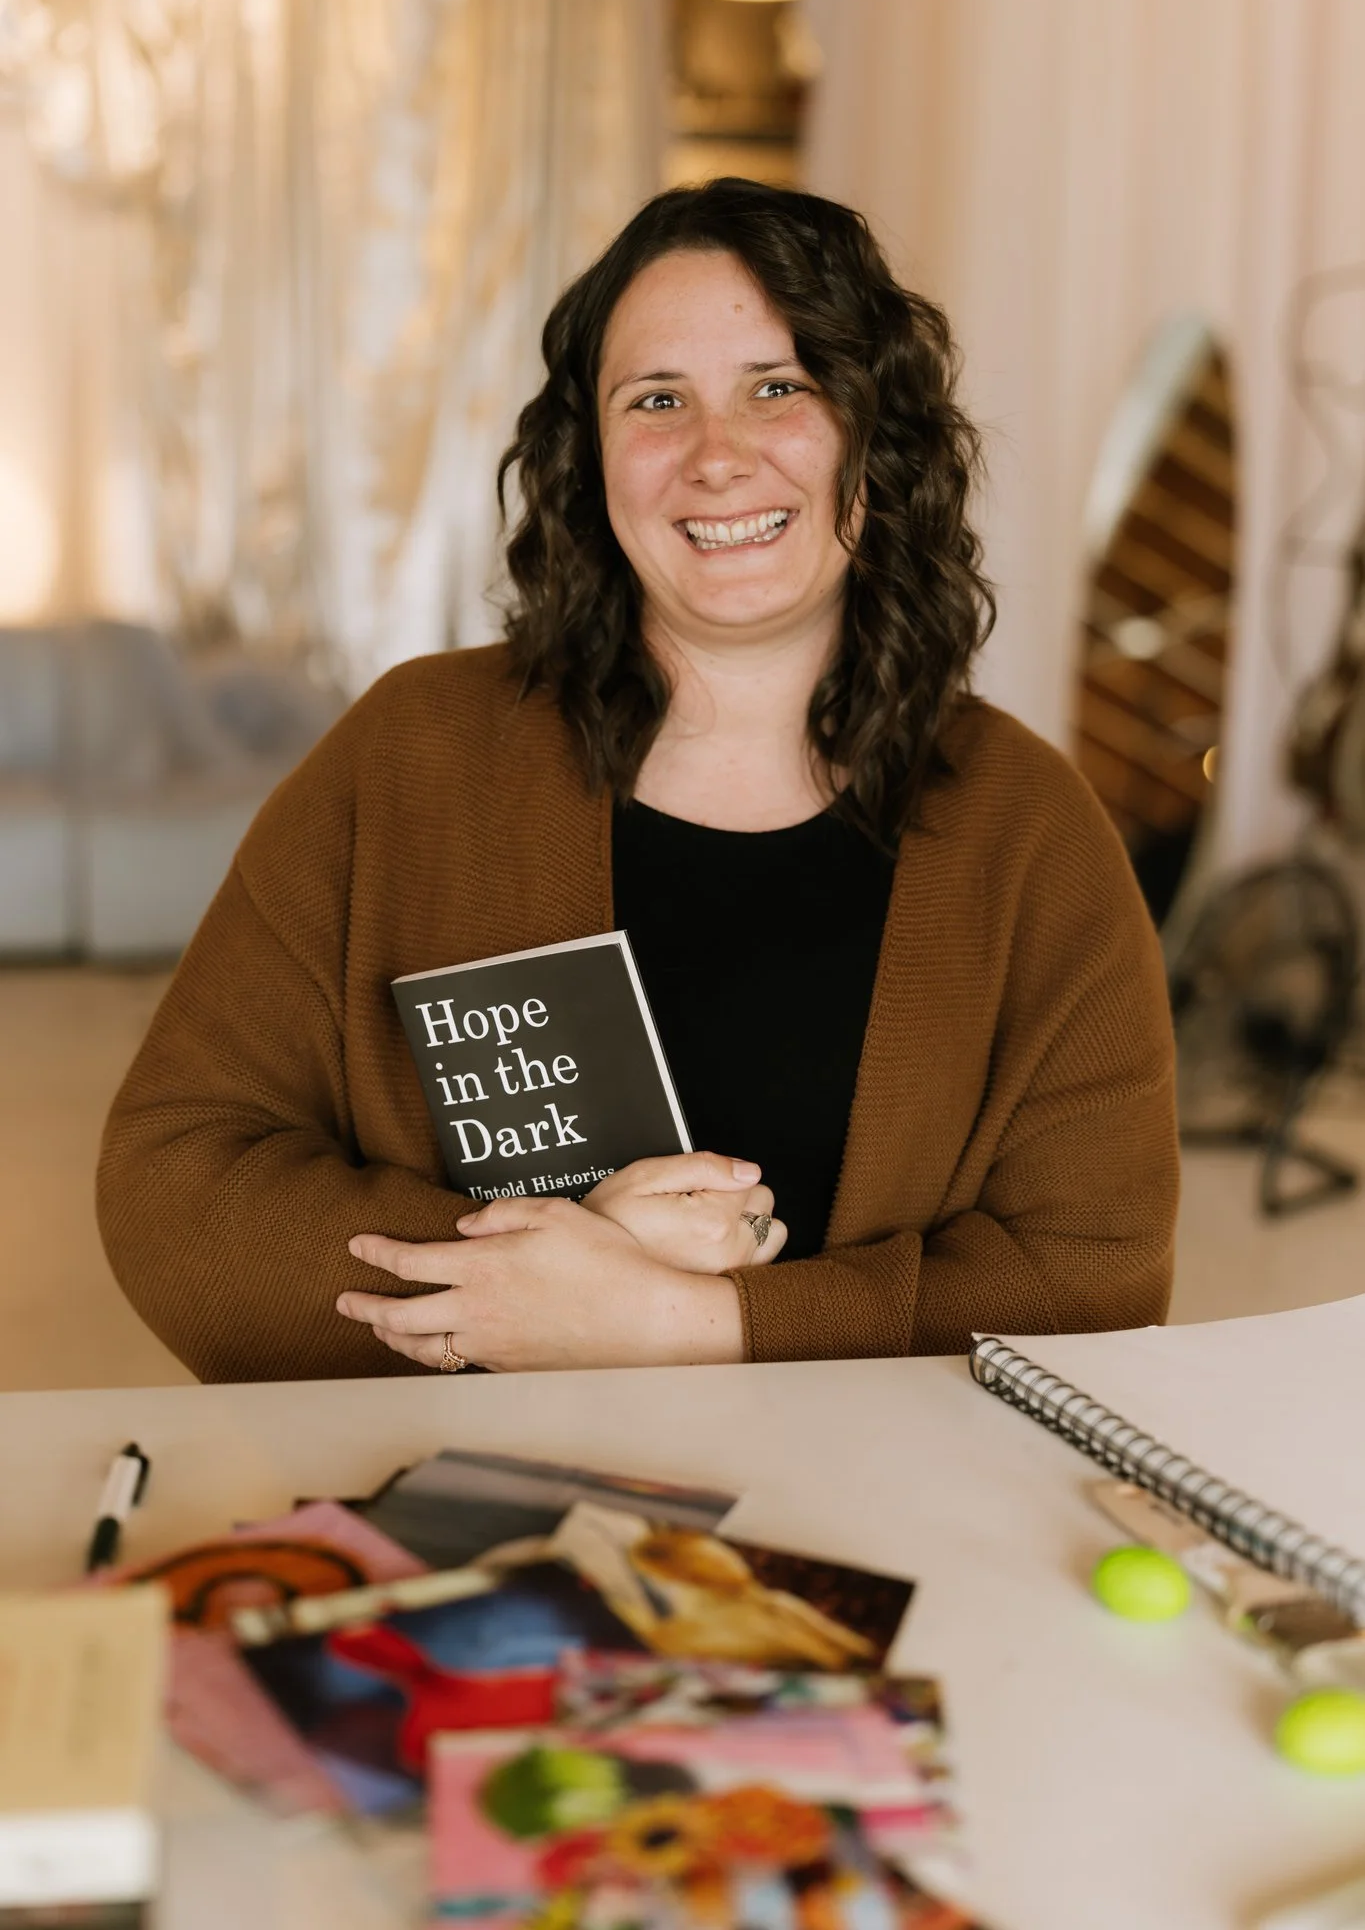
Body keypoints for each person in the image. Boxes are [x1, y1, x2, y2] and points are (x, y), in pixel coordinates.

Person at [96, 178, 1179, 1382]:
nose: (719, 455)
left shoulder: (1029, 832)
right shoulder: (412, 756)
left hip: (885, 1522)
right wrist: (524, 1275)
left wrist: (689, 1324)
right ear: (591, 461)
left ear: (878, 441)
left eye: (781, 387)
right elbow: (176, 1176)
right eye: (657, 400)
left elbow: (1099, 1276)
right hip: (474, 1508)